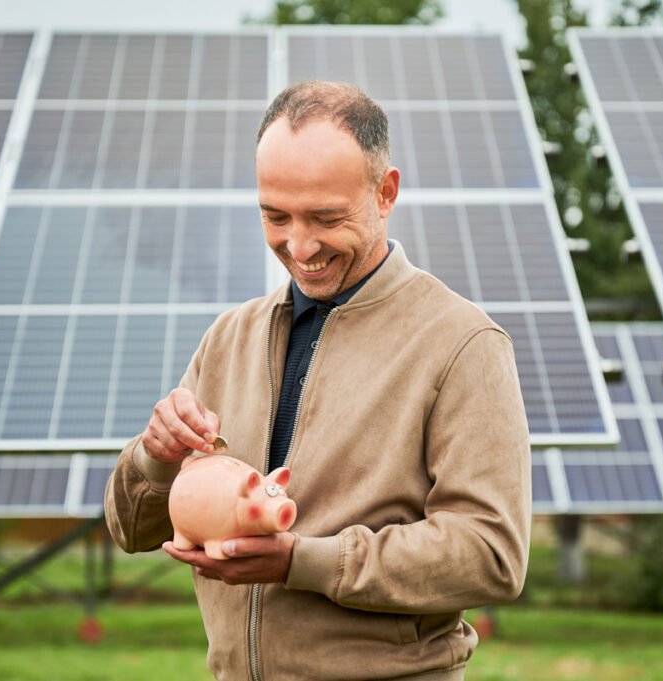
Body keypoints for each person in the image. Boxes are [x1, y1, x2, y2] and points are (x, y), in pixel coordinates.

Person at [105, 81, 531, 681]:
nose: (299, 246)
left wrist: (301, 562)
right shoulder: (229, 337)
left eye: (326, 218)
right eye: (275, 216)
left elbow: (491, 556)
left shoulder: (463, 345)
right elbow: (130, 528)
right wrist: (154, 457)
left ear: (386, 194)